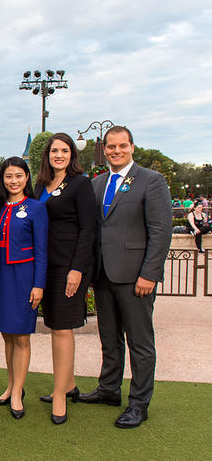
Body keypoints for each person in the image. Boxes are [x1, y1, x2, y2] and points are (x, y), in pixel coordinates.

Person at [79, 126, 172, 428]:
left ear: (132, 147)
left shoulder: (152, 181)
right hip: (104, 274)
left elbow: (161, 232)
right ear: (104, 149)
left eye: (122, 146)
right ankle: (108, 390)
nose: (116, 151)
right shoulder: (97, 183)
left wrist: (150, 274)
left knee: (140, 342)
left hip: (136, 278)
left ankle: (139, 404)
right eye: (110, 146)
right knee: (109, 338)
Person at [33, 133, 96, 424]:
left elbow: (88, 229)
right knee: (53, 323)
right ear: (47, 155)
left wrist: (77, 268)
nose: (59, 155)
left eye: (64, 150)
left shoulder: (80, 184)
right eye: (54, 150)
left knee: (61, 328)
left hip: (68, 267)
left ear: (72, 154)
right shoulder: (41, 185)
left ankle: (59, 395)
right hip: (44, 264)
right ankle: (68, 384)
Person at [0, 157, 47, 420]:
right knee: (7, 335)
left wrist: (38, 284)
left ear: (26, 178)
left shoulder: (36, 208)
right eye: (9, 176)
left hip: (23, 278)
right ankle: (12, 386)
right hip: (0, 276)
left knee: (21, 336)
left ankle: (17, 392)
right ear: (3, 179)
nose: (13, 181)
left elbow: (42, 250)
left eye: (18, 176)